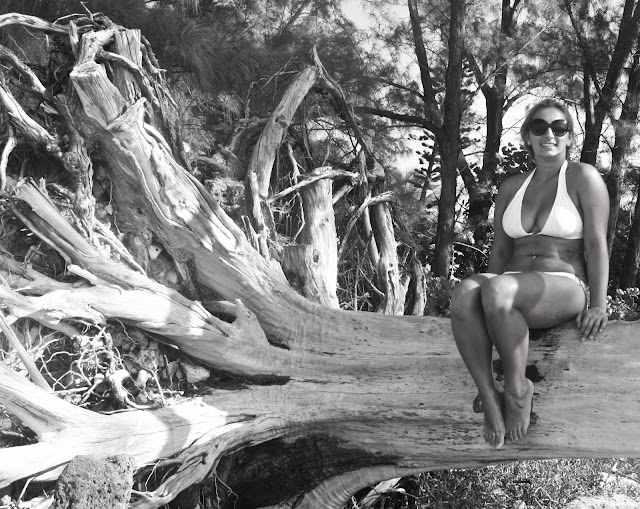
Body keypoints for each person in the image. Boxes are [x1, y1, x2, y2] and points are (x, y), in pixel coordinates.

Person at [450, 98, 609, 448]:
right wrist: (485, 303)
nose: (549, 134)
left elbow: (597, 244)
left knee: (498, 290)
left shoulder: (583, 177)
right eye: (539, 127)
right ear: (528, 137)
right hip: (511, 285)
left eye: (559, 127)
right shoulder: (511, 187)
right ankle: (490, 397)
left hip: (565, 285)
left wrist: (599, 304)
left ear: (569, 137)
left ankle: (519, 390)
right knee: (464, 294)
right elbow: (501, 251)